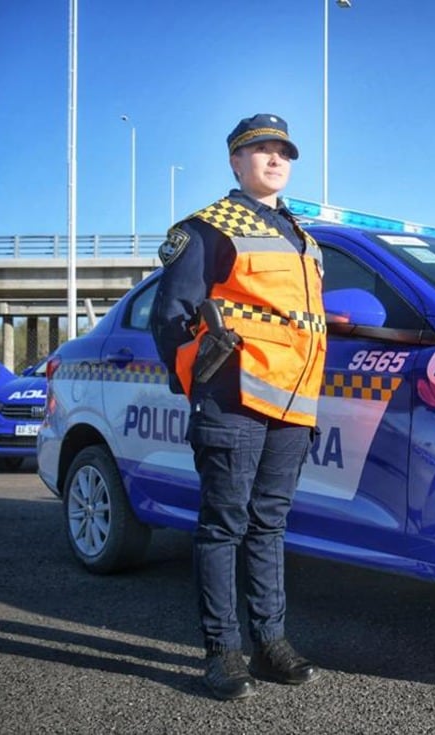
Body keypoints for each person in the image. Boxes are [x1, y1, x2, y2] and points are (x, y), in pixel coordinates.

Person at [149, 113, 327, 701]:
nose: (274, 159)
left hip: (293, 404)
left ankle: (271, 642)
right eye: (260, 150)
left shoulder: (302, 236)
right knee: (224, 525)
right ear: (235, 160)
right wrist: (205, 384)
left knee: (269, 527)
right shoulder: (208, 228)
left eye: (283, 151)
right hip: (235, 400)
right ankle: (224, 653)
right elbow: (171, 317)